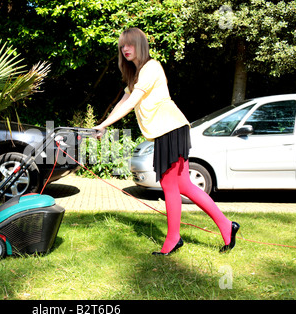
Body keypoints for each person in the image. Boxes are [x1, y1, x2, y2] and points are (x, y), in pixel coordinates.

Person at [93, 27, 240, 255]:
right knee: (184, 185)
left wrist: (105, 124)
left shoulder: (151, 67)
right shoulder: (135, 74)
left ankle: (173, 239)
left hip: (170, 128)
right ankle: (226, 226)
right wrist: (104, 123)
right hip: (167, 130)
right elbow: (123, 101)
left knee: (169, 184)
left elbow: (132, 103)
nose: (125, 49)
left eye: (130, 44)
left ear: (140, 45)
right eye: (122, 46)